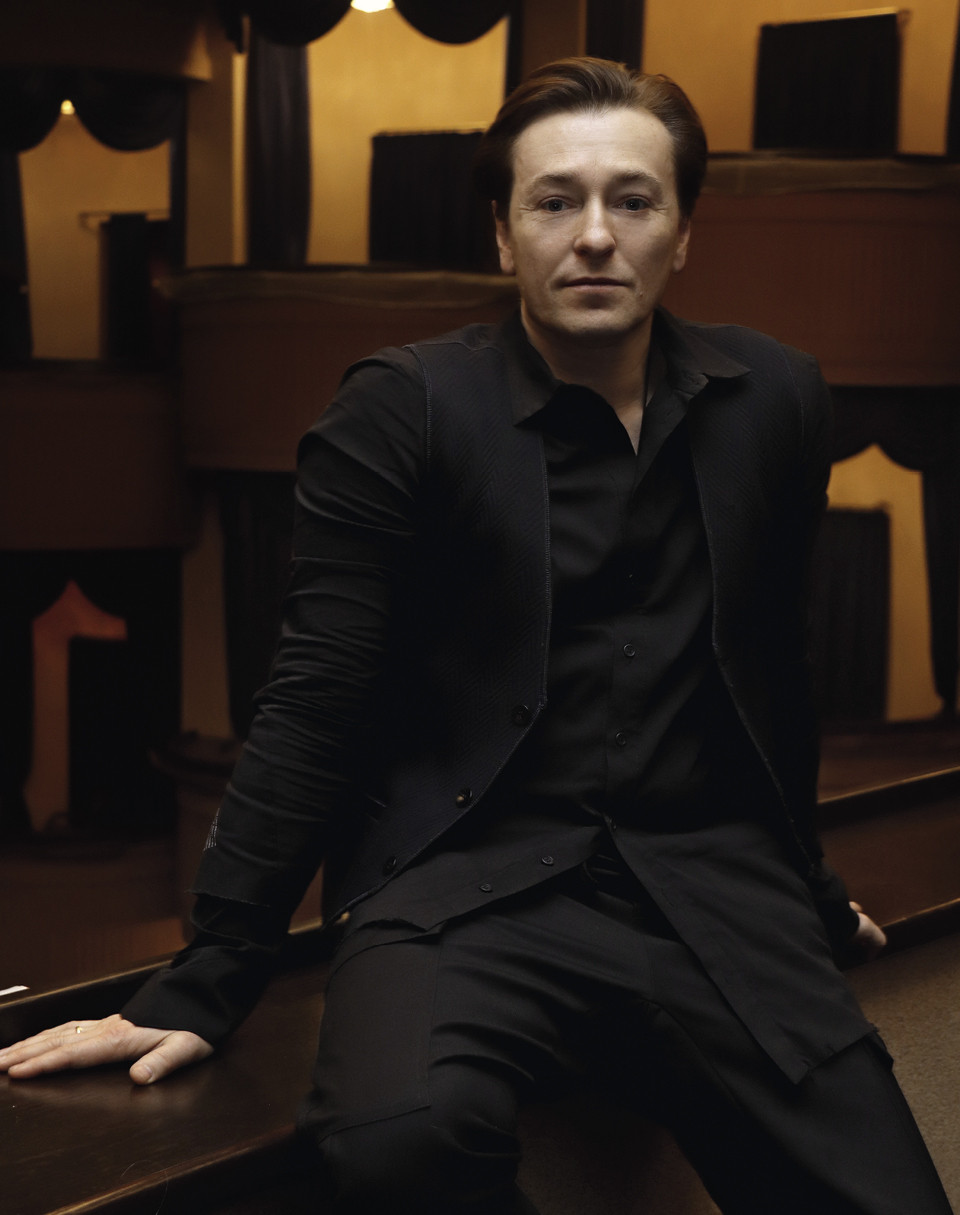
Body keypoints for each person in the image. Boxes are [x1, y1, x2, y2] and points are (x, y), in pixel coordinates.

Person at [0, 58, 951, 1215]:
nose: (594, 235)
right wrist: (210, 974)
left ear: (683, 232)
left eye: (633, 200)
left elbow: (770, 676)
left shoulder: (779, 398)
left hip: (710, 884)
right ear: (503, 235)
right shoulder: (398, 409)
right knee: (397, 1138)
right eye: (555, 201)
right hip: (464, 889)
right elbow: (315, 698)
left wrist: (809, 883)